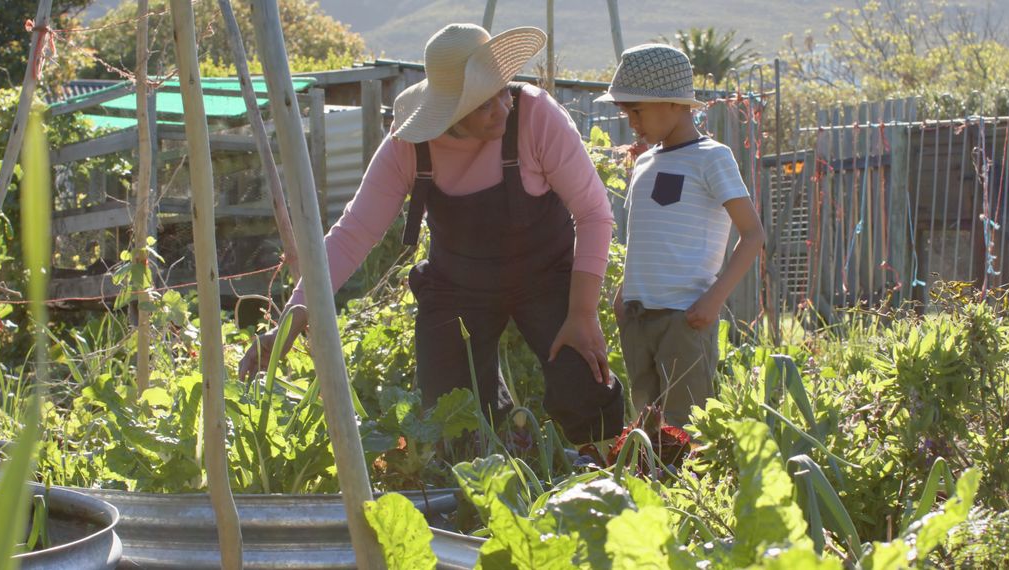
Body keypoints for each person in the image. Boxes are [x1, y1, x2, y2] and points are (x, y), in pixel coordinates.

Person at [240, 23, 624, 445]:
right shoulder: (410, 144)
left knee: (583, 381)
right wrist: (291, 322)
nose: (502, 107)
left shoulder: (536, 115)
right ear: (450, 110)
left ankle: (606, 469)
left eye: (502, 90)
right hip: (458, 285)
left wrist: (584, 314)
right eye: (483, 103)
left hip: (547, 275)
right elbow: (352, 235)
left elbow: (594, 212)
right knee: (454, 415)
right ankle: (489, 483)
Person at [597, 44, 766, 428]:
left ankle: (690, 489)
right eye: (626, 112)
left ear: (674, 104)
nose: (631, 122)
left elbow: (753, 234)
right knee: (646, 425)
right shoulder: (644, 161)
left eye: (636, 110)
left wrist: (714, 299)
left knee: (687, 427)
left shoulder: (712, 157)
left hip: (685, 318)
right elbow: (646, 236)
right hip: (638, 317)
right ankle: (652, 486)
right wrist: (624, 294)